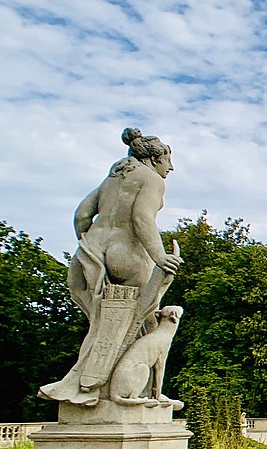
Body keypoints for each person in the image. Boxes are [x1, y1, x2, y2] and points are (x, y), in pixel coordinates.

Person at [41, 127, 183, 406]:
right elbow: (142, 217)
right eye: (168, 160)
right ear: (155, 160)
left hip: (91, 251)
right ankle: (133, 390)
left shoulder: (111, 181)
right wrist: (158, 255)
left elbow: (82, 215)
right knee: (144, 318)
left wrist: (91, 245)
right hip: (126, 252)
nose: (171, 167)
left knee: (101, 323)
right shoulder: (151, 180)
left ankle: (92, 384)